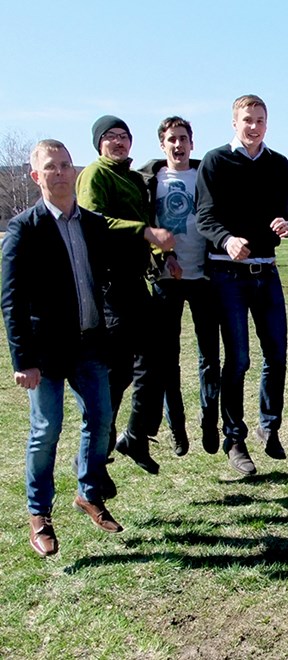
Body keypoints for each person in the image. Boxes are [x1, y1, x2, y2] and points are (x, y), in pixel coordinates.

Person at [2, 140, 123, 557]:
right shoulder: (24, 228)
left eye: (66, 165)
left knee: (101, 420)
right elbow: (11, 300)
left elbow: (107, 280)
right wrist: (23, 360)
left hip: (89, 345)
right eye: (50, 167)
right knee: (45, 431)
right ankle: (40, 515)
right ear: (36, 176)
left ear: (75, 171)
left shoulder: (92, 224)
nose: (59, 173)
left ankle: (89, 493)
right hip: (45, 354)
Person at [196, 94, 288, 476]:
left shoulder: (278, 164)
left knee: (278, 356)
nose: (253, 126)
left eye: (260, 120)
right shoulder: (216, 161)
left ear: (267, 124)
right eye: (247, 120)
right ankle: (234, 438)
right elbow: (204, 216)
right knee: (238, 359)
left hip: (266, 272)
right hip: (228, 274)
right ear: (234, 123)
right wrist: (226, 239)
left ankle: (269, 426)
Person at [77, 115, 175, 477]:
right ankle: (95, 451)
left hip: (135, 283)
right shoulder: (95, 175)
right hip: (108, 285)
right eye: (110, 137)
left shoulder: (133, 178)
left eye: (123, 136)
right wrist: (146, 232)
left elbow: (150, 229)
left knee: (155, 360)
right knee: (117, 371)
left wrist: (164, 257)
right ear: (99, 143)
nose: (118, 142)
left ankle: (136, 435)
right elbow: (94, 221)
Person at [139, 117, 220, 457]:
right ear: (162, 144)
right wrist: (161, 257)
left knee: (209, 357)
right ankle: (177, 429)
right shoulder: (148, 180)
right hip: (166, 281)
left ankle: (209, 423)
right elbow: (142, 227)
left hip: (203, 277)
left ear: (192, 142)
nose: (178, 145)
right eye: (172, 139)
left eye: (183, 138)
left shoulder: (205, 175)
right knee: (167, 359)